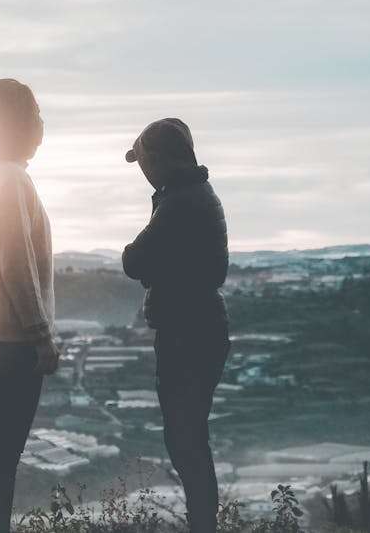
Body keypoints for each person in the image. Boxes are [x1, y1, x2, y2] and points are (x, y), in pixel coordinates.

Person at [0, 79, 60, 533]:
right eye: (36, 114)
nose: (42, 124)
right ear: (17, 123)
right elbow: (17, 265)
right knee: (4, 453)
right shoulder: (10, 179)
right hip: (14, 339)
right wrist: (41, 337)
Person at [121, 118, 230, 533]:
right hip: (198, 327)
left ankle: (203, 523)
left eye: (144, 161)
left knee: (185, 440)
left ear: (163, 159)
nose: (142, 170)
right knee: (188, 436)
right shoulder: (193, 195)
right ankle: (203, 521)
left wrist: (150, 260)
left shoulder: (179, 201)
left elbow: (135, 260)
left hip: (188, 333)